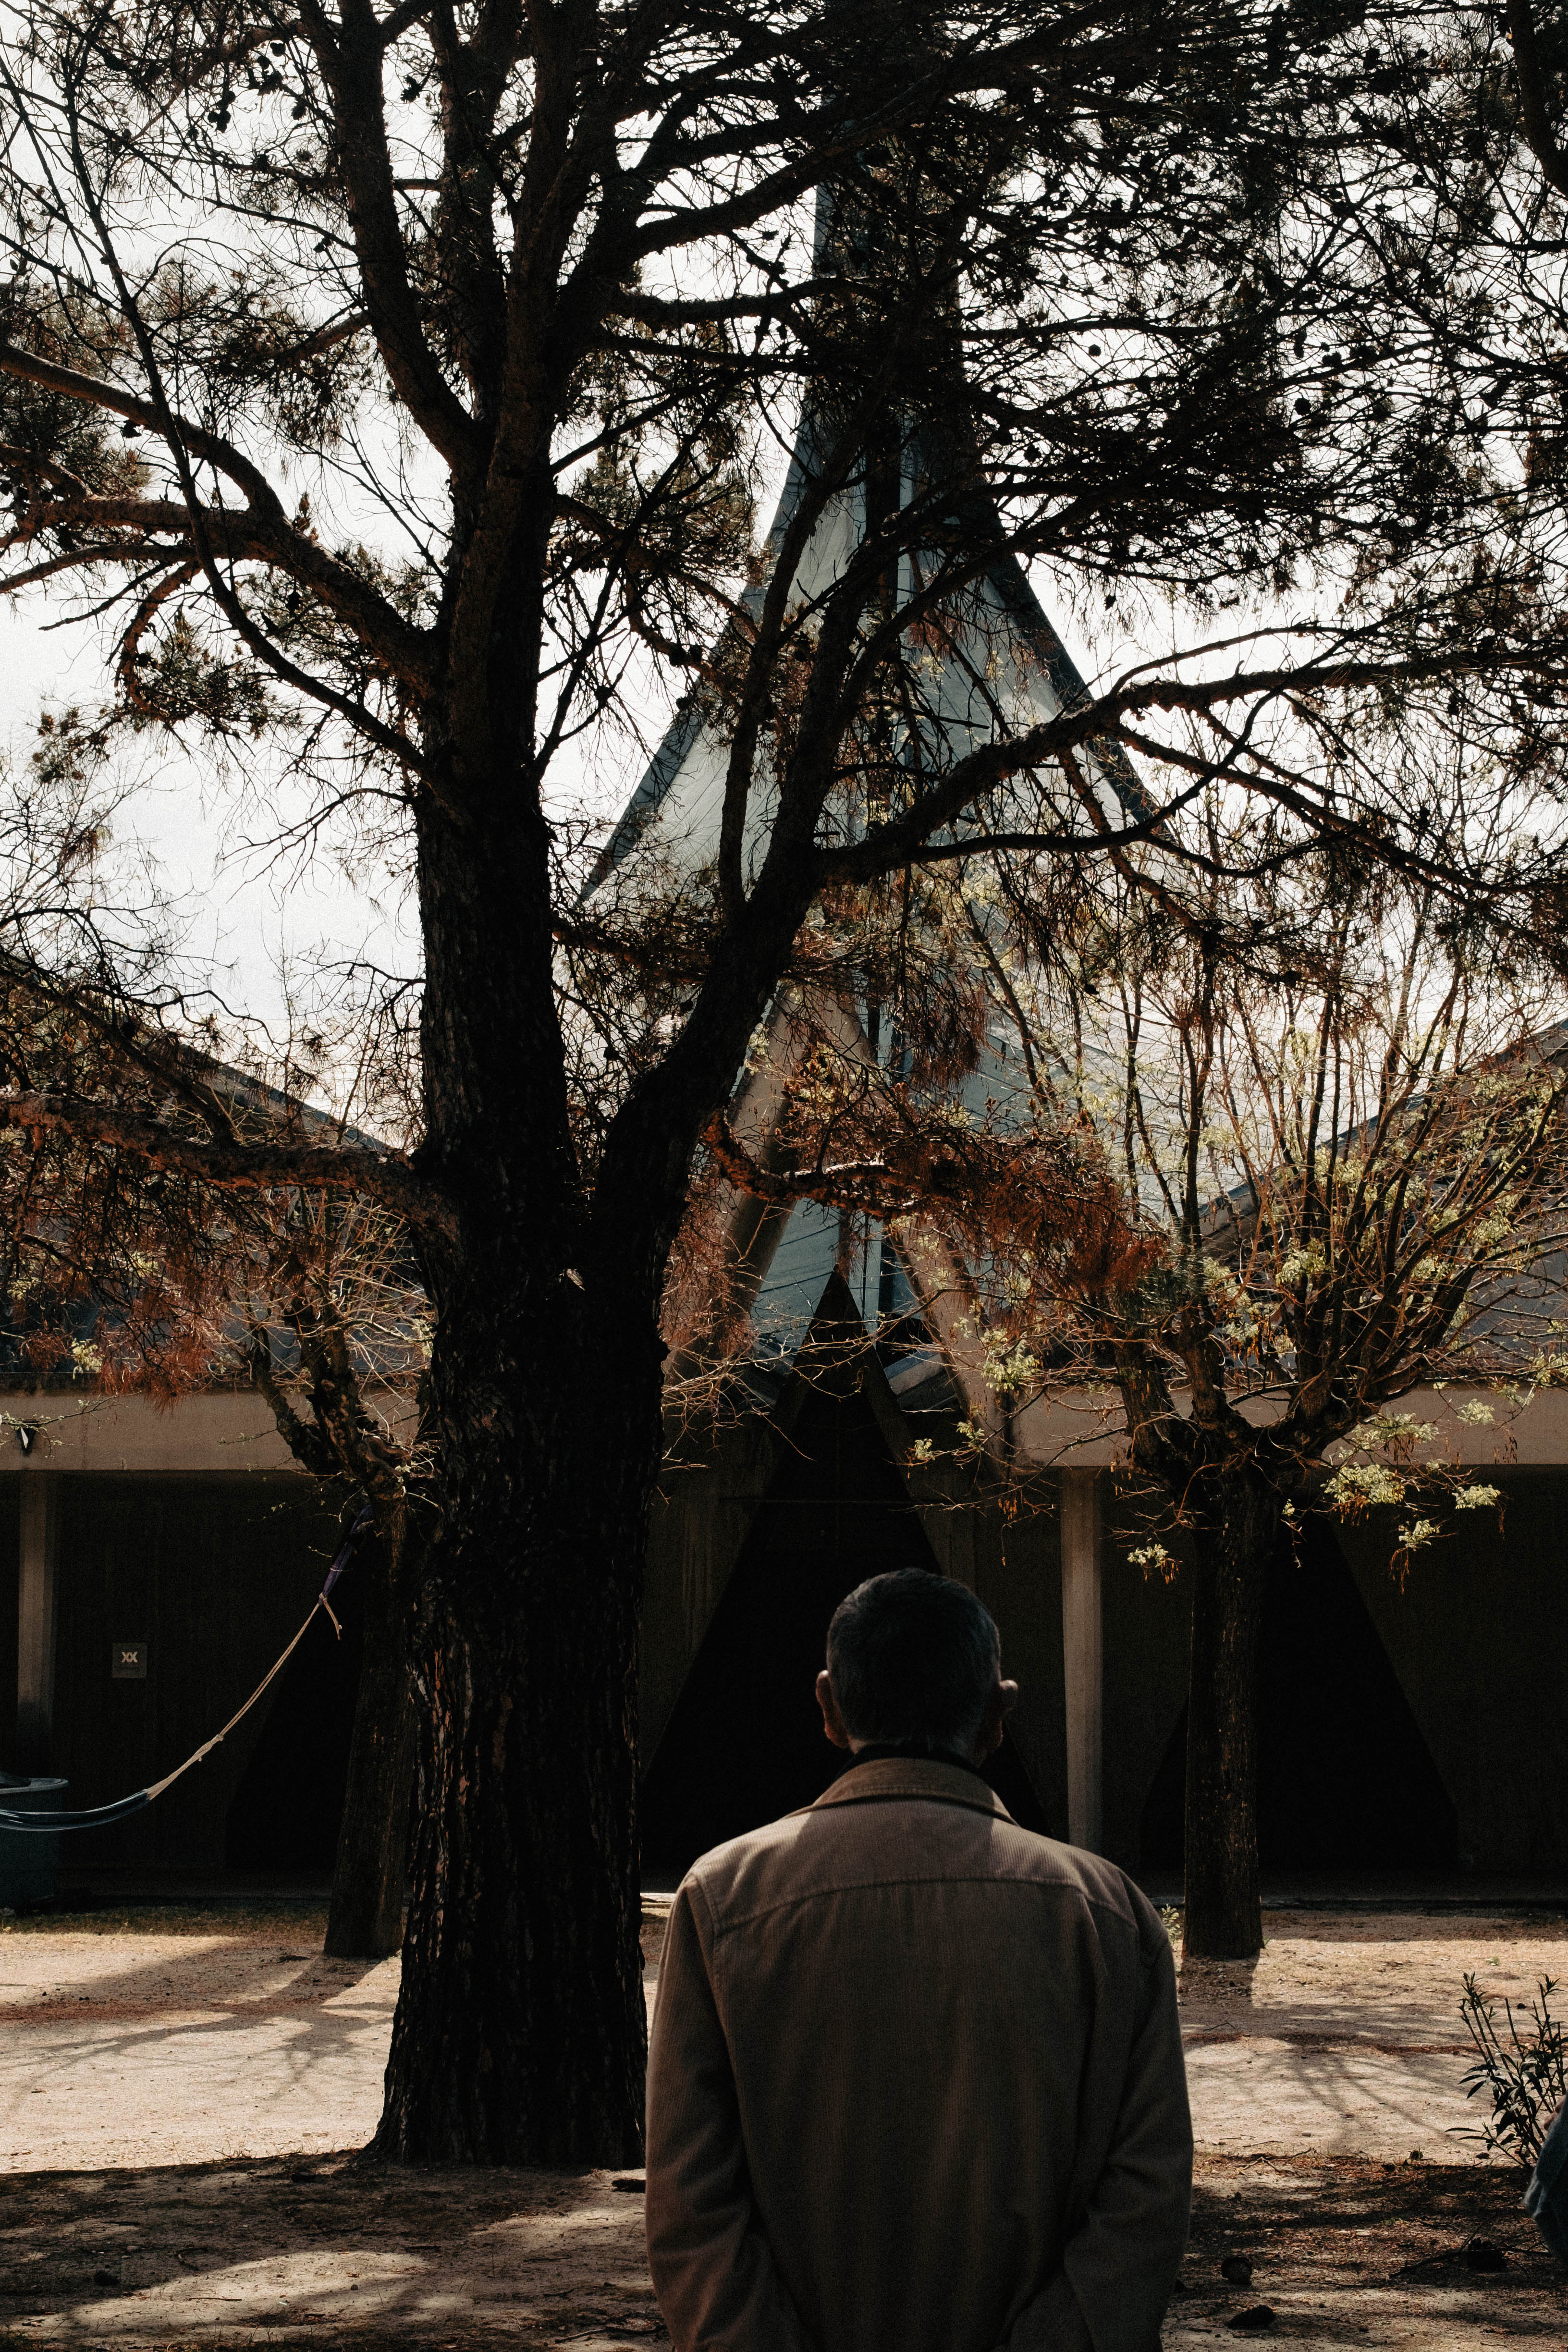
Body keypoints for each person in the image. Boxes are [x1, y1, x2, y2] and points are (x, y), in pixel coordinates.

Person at [645, 1567, 1193, 2352]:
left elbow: (691, 2200)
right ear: (999, 1713)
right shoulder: (1104, 1912)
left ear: (829, 1706)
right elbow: (1146, 2192)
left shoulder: (723, 1897)